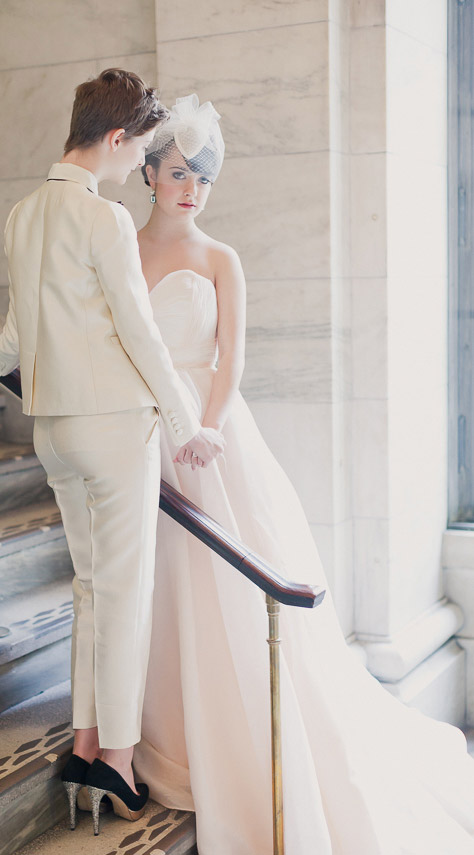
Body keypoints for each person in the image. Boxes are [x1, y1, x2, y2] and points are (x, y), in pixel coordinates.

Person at [132, 95, 474, 854]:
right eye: (180, 172)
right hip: (137, 436)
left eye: (205, 178)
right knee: (160, 591)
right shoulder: (121, 246)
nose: (192, 189)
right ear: (149, 173)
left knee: (226, 587)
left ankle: (236, 747)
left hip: (209, 442)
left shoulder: (220, 258)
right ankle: (168, 741)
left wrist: (208, 429)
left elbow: (232, 359)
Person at [0, 70, 225, 836]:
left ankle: (82, 744)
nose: (135, 159)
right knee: (124, 592)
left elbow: (27, 317)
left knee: (88, 587)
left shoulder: (21, 212)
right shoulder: (100, 219)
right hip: (113, 427)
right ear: (115, 140)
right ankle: (118, 760)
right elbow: (136, 332)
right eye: (138, 146)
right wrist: (185, 424)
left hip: (53, 429)